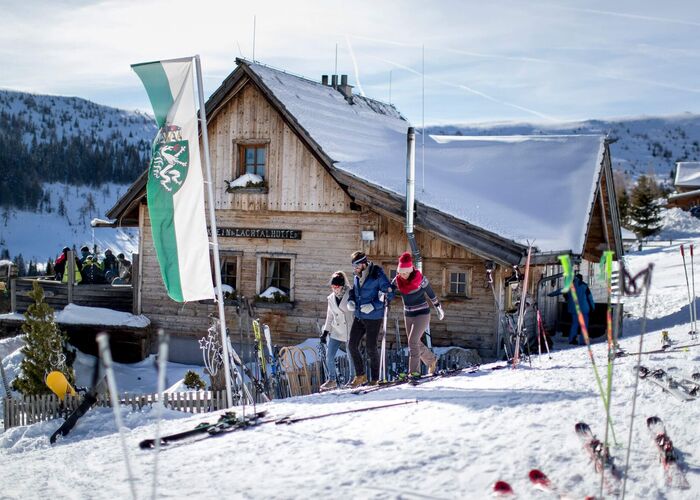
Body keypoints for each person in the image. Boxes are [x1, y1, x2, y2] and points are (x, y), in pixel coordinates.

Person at [346, 251, 394, 387]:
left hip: (374, 316)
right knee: (352, 345)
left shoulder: (377, 274)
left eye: (356, 265)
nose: (354, 269)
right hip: (359, 315)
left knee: (370, 347)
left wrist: (373, 305)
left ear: (363, 263)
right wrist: (351, 301)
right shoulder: (356, 275)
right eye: (353, 266)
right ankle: (360, 375)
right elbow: (353, 292)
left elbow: (388, 294)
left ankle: (375, 379)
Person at [394, 252, 442, 378]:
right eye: (400, 272)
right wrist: (384, 293)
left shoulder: (420, 279)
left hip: (422, 313)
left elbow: (431, 294)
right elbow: (389, 288)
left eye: (405, 272)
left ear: (410, 270)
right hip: (408, 314)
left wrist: (438, 307)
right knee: (414, 342)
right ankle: (431, 360)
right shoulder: (398, 280)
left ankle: (413, 371)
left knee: (412, 341)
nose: (402, 275)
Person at [319, 271, 356, 390]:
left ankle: (352, 379)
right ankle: (332, 379)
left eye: (337, 287)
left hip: (349, 329)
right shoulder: (330, 298)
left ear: (342, 286)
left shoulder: (350, 293)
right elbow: (329, 316)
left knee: (351, 356)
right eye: (333, 287)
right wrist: (325, 332)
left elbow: (356, 311)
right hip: (336, 330)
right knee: (329, 356)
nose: (335, 289)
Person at [549, 273, 595, 345]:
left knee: (575, 324)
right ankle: (583, 341)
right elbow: (590, 298)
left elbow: (560, 291)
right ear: (581, 278)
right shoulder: (585, 286)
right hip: (584, 310)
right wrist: (593, 307)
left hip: (574, 310)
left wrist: (551, 294)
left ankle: (572, 339)